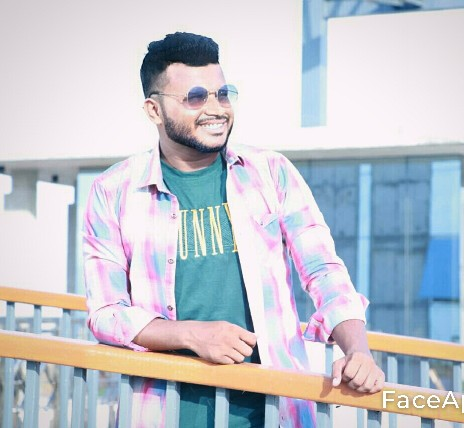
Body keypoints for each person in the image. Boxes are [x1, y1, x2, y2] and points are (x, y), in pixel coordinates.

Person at [83, 31, 385, 427]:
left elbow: (323, 270)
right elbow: (106, 312)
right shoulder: (113, 190)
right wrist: (191, 335)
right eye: (195, 97)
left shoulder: (271, 172)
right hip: (163, 411)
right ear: (154, 110)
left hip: (276, 410)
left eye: (223, 94)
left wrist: (357, 349)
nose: (216, 109)